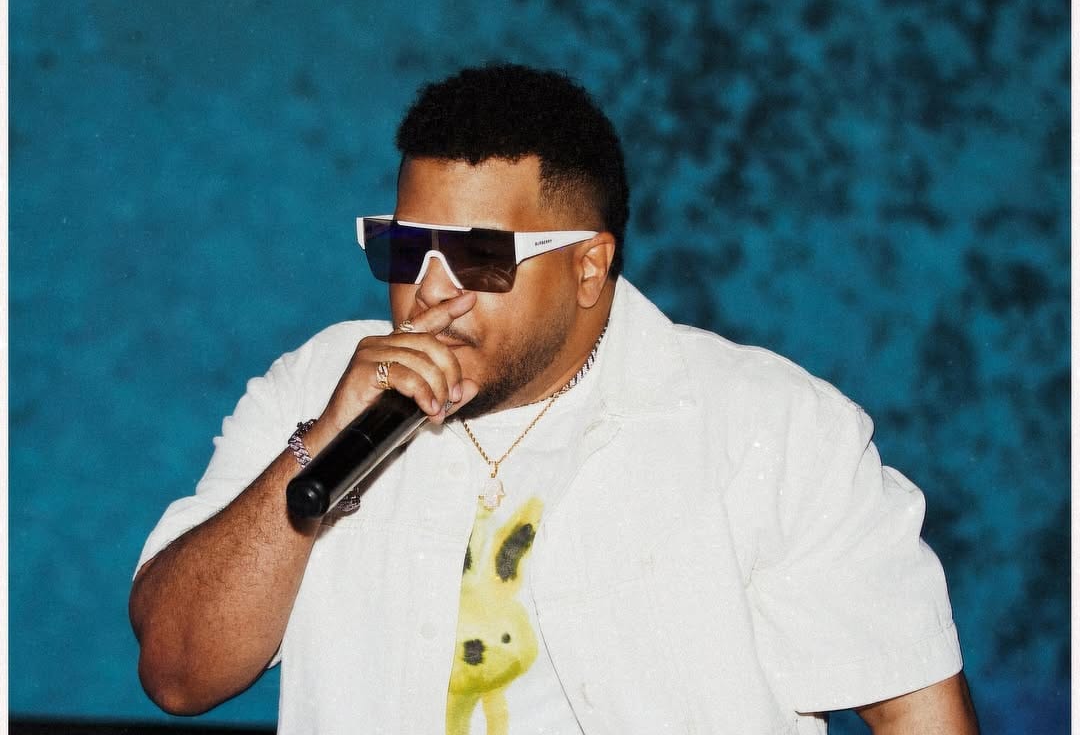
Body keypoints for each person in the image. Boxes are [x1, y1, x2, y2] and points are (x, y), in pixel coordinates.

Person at [130, 63, 979, 734]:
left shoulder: (767, 427)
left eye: (479, 257)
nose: (431, 293)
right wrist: (323, 444)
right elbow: (177, 673)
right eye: (406, 249)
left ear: (588, 266)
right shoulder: (320, 387)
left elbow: (914, 709)